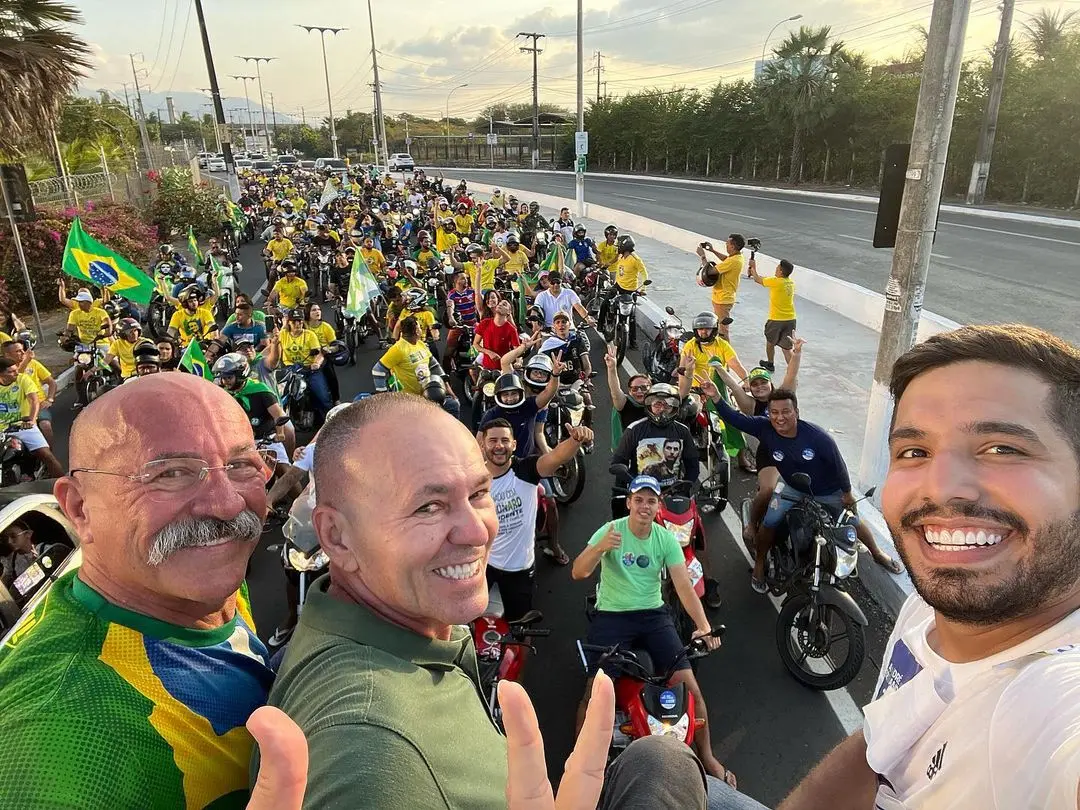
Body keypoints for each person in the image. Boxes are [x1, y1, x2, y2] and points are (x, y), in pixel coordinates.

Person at [778, 324, 1080, 810]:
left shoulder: (1055, 701)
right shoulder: (925, 609)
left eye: (1002, 449)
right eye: (914, 452)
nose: (941, 488)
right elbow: (881, 749)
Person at [0, 373, 281, 807]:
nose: (227, 504)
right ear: (80, 508)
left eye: (239, 465)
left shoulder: (195, 580)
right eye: (169, 473)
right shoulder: (62, 736)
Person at [572, 474, 733, 784]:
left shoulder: (664, 539)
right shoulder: (611, 531)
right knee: (593, 693)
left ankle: (708, 757)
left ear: (657, 505)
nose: (644, 506)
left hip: (654, 616)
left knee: (691, 688)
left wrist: (703, 627)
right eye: (639, 500)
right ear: (629, 502)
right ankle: (579, 759)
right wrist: (600, 548)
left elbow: (684, 587)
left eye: (650, 501)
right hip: (612, 616)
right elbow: (579, 572)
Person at [701, 383, 901, 592]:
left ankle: (877, 553)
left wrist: (847, 494)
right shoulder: (764, 427)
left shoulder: (818, 437)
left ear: (796, 412)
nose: (779, 418)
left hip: (827, 491)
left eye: (786, 412)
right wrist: (716, 396)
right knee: (769, 522)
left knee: (853, 522)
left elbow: (839, 465)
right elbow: (736, 419)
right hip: (792, 488)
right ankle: (760, 563)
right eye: (774, 412)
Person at [479, 419, 593, 620]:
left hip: (520, 569)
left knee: (521, 624)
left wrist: (575, 440)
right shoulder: (474, 480)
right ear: (483, 445)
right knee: (470, 620)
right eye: (493, 440)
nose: (499, 446)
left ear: (514, 445)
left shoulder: (527, 470)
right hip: (482, 564)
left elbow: (556, 456)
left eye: (505, 440)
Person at [712, 340, 805, 547]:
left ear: (771, 384)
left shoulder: (784, 396)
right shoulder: (751, 404)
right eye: (754, 384)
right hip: (770, 453)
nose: (760, 386)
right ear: (751, 389)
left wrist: (796, 354)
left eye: (763, 382)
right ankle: (753, 524)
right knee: (769, 490)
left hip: (795, 449)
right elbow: (734, 386)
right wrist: (719, 369)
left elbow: (791, 375)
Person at [610, 382, 698, 517]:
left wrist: (683, 487)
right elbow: (618, 462)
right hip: (641, 493)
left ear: (674, 408)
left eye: (667, 405)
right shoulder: (634, 429)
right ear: (649, 406)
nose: (662, 409)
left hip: (672, 494)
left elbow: (692, 465)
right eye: (657, 404)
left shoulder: (683, 431)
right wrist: (634, 483)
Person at [213, 352, 290, 466]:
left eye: (229, 377)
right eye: (223, 378)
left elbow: (278, 415)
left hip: (266, 440)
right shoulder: (223, 394)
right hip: (239, 443)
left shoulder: (260, 390)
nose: (225, 382)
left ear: (241, 374)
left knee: (285, 472)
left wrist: (280, 434)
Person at [373, 316, 459, 417]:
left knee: (453, 405)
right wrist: (383, 396)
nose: (421, 330)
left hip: (427, 395)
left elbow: (434, 366)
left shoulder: (420, 344)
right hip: (408, 400)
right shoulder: (398, 349)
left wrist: (448, 388)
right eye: (419, 327)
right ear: (416, 331)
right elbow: (378, 370)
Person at [0, 357, 63, 477]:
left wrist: (32, 420)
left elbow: (34, 401)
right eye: (11, 371)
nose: (16, 373)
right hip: (2, 428)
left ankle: (66, 485)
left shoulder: (22, 379)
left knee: (47, 455)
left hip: (22, 426)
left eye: (16, 370)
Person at [2, 337, 57, 448]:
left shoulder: (34, 364)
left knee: (45, 425)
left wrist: (49, 399)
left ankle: (49, 452)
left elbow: (51, 382)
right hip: (14, 409)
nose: (23, 353)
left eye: (22, 349)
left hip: (37, 404)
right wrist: (26, 361)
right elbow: (17, 377)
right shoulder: (5, 370)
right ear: (7, 355)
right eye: (18, 351)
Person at [280, 309, 332, 421]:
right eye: (294, 321)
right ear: (289, 322)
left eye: (299, 321)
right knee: (282, 396)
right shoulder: (283, 334)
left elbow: (319, 353)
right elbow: (272, 347)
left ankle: (332, 420)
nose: (297, 324)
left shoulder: (310, 335)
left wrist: (316, 363)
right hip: (291, 370)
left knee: (323, 397)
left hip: (310, 370)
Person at [597, 234, 647, 348]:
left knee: (632, 317)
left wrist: (643, 288)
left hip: (630, 291)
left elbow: (644, 273)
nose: (617, 247)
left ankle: (633, 342)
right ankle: (600, 325)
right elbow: (615, 263)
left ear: (624, 246)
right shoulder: (620, 257)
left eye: (619, 245)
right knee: (605, 303)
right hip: (618, 286)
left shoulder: (635, 260)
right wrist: (605, 266)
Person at [748, 257, 796, 372]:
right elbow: (766, 279)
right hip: (790, 319)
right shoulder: (790, 283)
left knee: (770, 342)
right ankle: (793, 371)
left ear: (780, 271)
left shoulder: (776, 282)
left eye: (777, 267)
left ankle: (770, 363)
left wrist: (753, 268)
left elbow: (758, 280)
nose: (775, 269)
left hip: (776, 319)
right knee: (787, 348)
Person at [696, 234, 745, 322]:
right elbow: (726, 259)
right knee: (718, 326)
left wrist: (702, 256)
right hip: (722, 297)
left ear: (733, 247)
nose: (726, 246)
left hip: (722, 299)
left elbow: (709, 272)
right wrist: (712, 250)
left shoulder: (733, 261)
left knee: (722, 329)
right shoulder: (737, 257)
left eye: (727, 244)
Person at [604, 343, 650, 434]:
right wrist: (611, 368)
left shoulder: (658, 404)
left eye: (644, 387)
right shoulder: (625, 404)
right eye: (635, 389)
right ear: (629, 391)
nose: (639, 391)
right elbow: (615, 392)